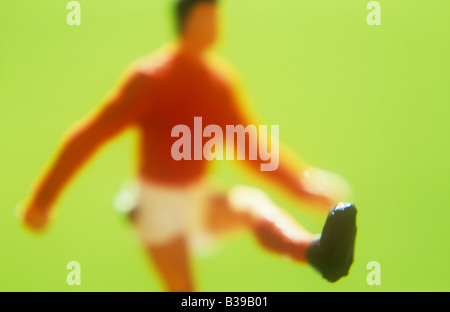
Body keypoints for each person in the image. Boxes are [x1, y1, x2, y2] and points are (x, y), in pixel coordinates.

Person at [18, 0, 357, 291]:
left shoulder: (218, 82)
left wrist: (305, 187)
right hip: (156, 205)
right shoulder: (151, 79)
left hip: (197, 196)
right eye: (204, 17)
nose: (212, 26)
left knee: (252, 207)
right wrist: (43, 200)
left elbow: (251, 148)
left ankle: (315, 250)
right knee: (185, 290)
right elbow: (90, 136)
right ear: (186, 21)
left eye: (215, 17)